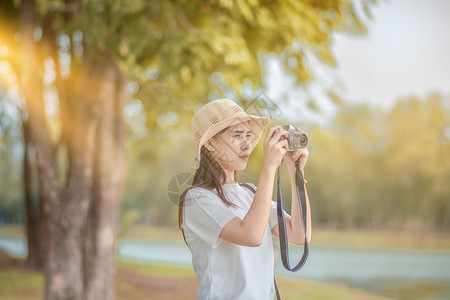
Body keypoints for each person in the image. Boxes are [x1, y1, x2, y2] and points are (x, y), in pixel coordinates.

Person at [178, 98, 311, 299]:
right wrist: (269, 167)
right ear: (210, 144)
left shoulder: (250, 193)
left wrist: (296, 172)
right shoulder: (196, 199)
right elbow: (251, 235)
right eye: (237, 135)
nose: (247, 144)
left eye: (248, 135)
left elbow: (300, 234)